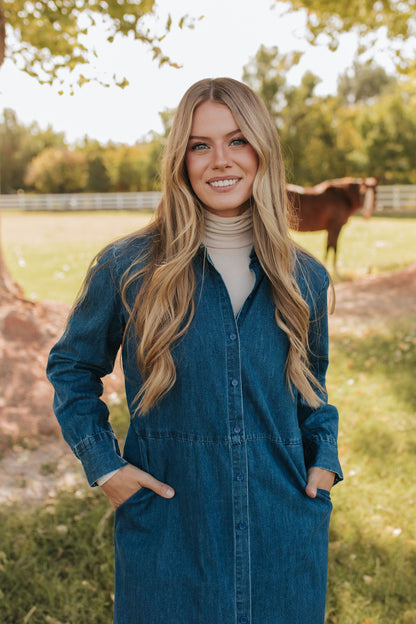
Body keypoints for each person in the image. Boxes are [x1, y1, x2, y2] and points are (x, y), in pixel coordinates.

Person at [47, 77, 342, 624]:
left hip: (284, 525)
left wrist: (323, 460)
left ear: (263, 152)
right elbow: (72, 367)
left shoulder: (306, 275)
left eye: (238, 141)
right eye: (200, 145)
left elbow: (311, 386)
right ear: (181, 160)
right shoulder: (128, 267)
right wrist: (105, 466)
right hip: (169, 525)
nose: (220, 161)